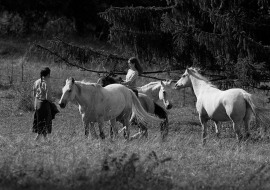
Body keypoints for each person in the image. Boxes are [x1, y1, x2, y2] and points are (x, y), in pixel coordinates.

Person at [32, 67, 59, 141]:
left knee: (39, 120)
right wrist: (53, 101)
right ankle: (38, 138)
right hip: (44, 104)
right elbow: (48, 97)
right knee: (45, 121)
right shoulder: (47, 83)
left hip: (37, 103)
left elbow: (34, 94)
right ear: (48, 74)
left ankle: (44, 138)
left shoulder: (36, 82)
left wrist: (35, 103)